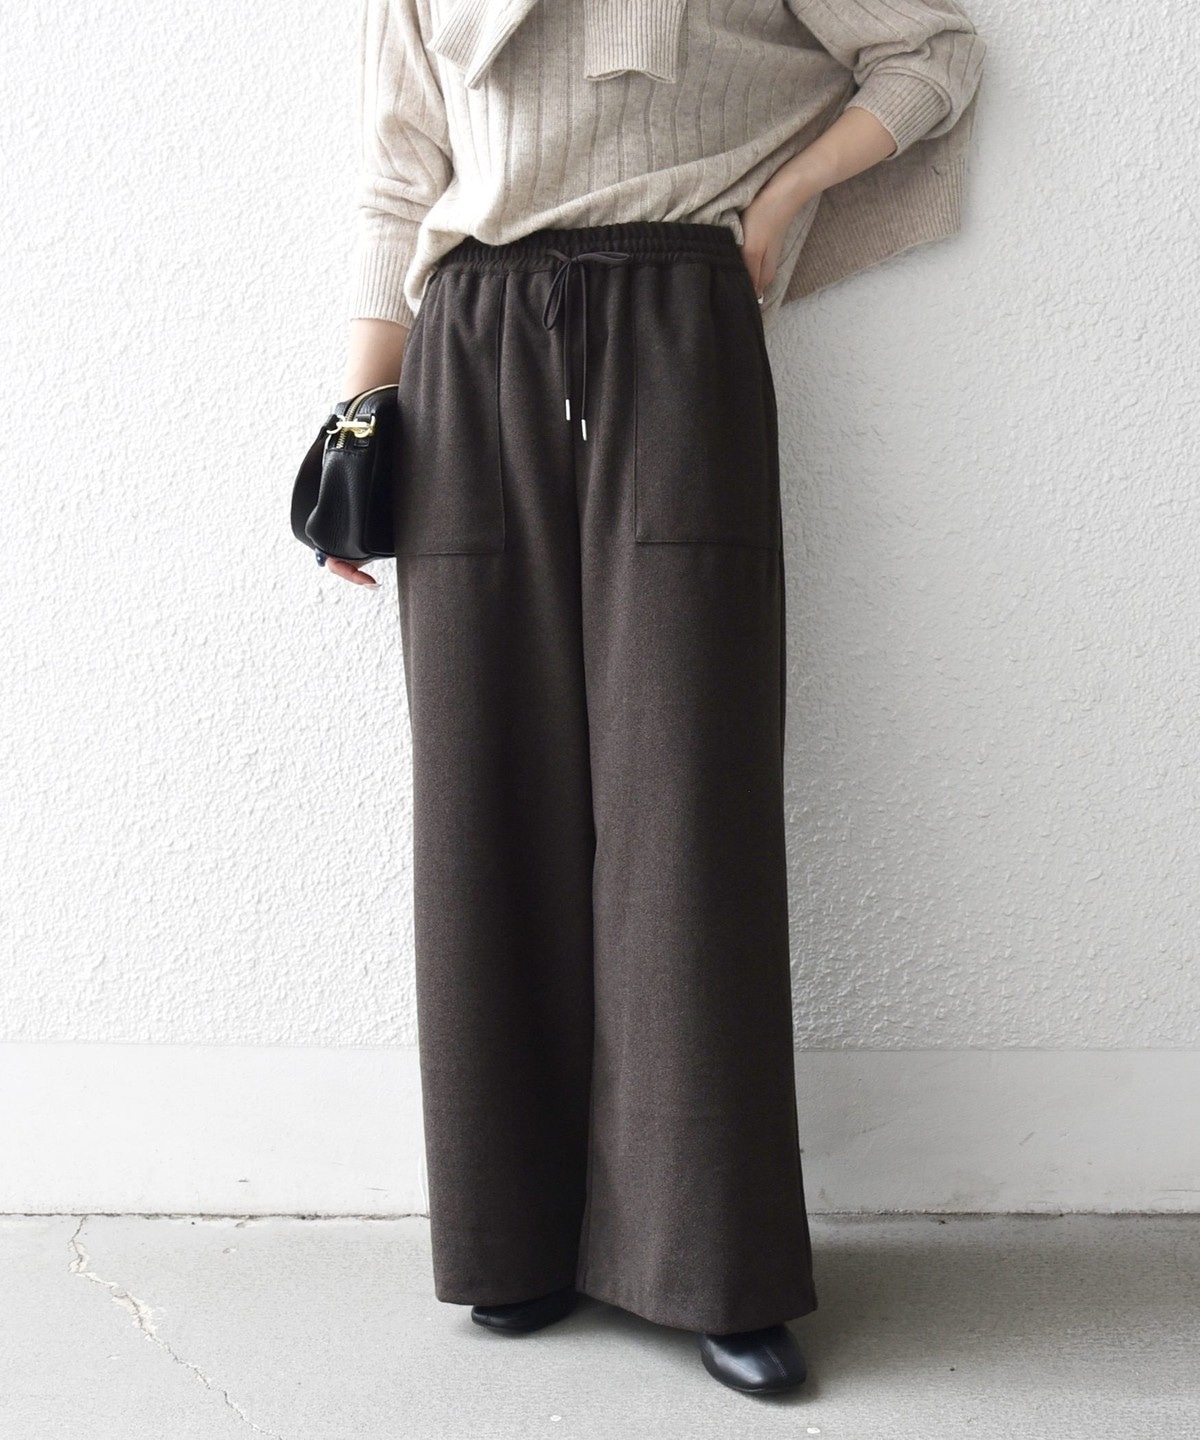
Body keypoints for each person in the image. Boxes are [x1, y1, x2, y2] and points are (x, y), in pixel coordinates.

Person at [327, 0, 985, 1398]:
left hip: (679, 330)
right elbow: (397, 178)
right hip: (470, 349)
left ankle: (710, 1263)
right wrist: (355, 420)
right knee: (483, 799)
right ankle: (510, 1238)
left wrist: (782, 199)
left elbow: (935, 56)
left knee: (687, 807)